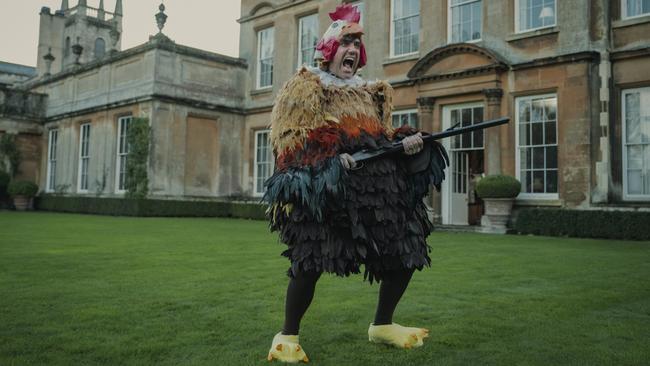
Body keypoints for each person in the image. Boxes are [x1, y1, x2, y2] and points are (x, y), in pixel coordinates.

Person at [263, 4, 448, 363]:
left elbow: (382, 138)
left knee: (407, 248)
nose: (352, 50)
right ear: (330, 49)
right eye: (345, 42)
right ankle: (286, 337)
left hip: (376, 193)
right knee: (311, 260)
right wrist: (329, 156)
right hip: (329, 192)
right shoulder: (306, 87)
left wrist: (407, 143)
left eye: (356, 45)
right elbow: (291, 139)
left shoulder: (372, 92)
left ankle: (382, 325)